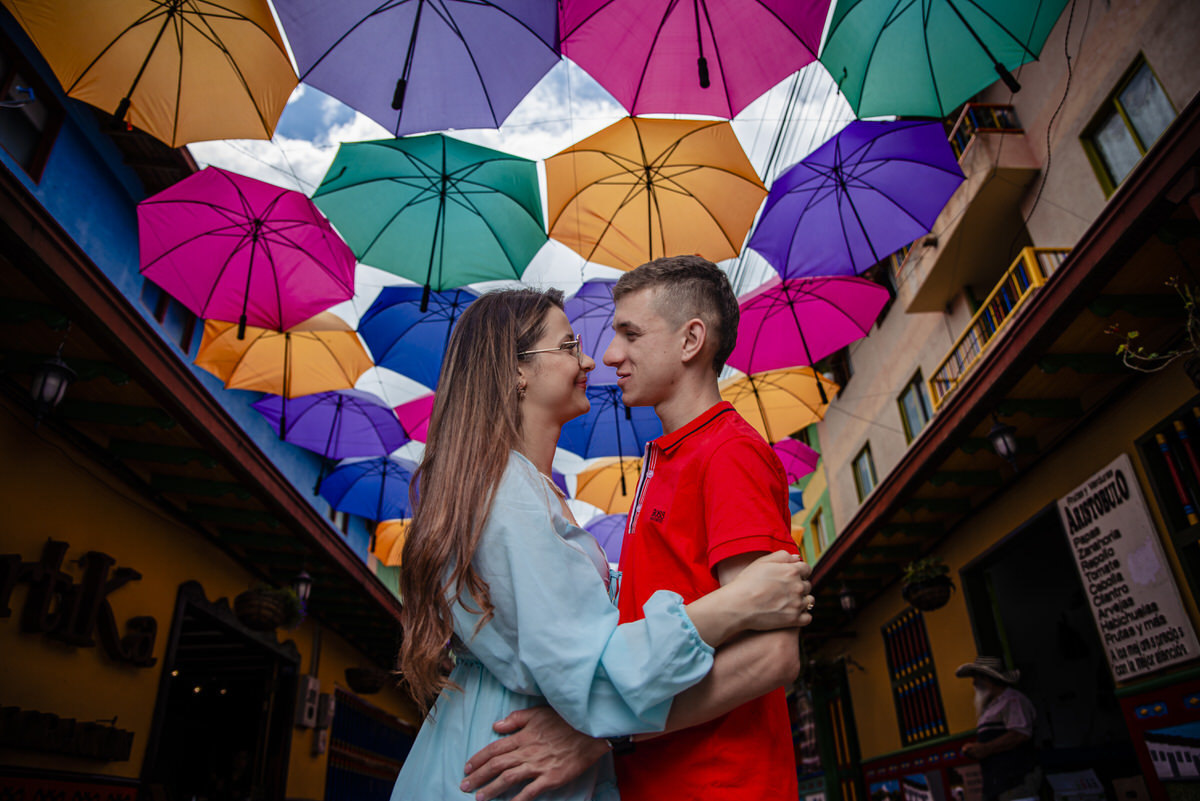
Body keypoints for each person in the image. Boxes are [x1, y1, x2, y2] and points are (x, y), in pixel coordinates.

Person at [392, 287, 815, 800]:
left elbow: (770, 657)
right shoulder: (510, 494)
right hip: (508, 762)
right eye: (569, 345)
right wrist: (737, 604)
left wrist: (597, 735)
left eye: (629, 335)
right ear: (516, 370)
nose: (598, 357)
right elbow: (588, 670)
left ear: (691, 341)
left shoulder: (520, 490)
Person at [956, 656, 1042, 801]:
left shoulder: (1012, 700)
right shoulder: (989, 708)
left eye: (977, 677)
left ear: (988, 678)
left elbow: (1020, 734)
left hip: (1016, 780)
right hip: (996, 783)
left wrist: (985, 748)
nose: (974, 683)